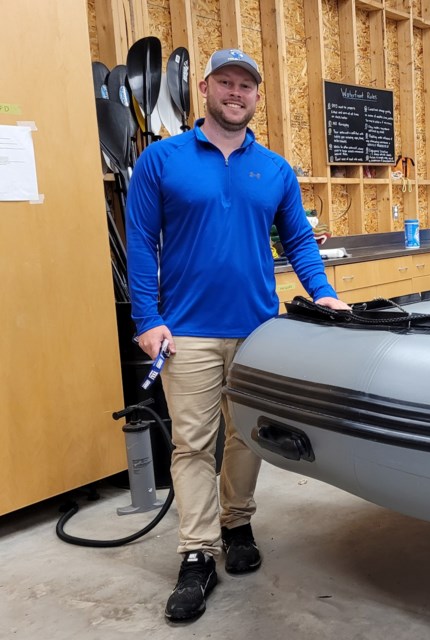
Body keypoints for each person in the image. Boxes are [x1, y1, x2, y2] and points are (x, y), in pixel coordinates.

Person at [125, 48, 351, 622]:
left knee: (247, 436)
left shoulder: (273, 169)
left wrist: (321, 291)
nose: (235, 93)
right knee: (193, 444)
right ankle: (197, 555)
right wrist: (147, 320)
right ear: (205, 88)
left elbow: (298, 239)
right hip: (188, 333)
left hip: (258, 331)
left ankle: (238, 523)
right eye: (225, 82)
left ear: (256, 95)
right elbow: (140, 242)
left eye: (246, 86)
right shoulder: (162, 160)